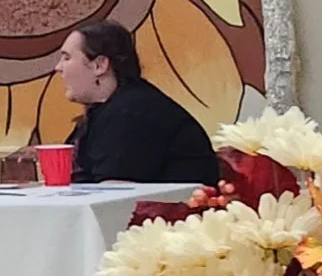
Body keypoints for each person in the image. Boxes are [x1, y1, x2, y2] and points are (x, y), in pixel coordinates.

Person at [56, 22, 221, 186]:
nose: (58, 67)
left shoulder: (132, 113)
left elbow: (114, 197)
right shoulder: (108, 110)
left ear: (99, 65)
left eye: (67, 58)